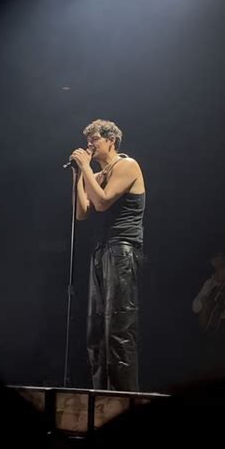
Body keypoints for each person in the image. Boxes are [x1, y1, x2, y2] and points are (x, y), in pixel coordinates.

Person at [70, 119, 145, 391]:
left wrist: (87, 170)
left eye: (95, 140)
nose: (90, 145)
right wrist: (80, 174)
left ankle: (123, 399)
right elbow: (82, 212)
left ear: (111, 140)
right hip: (101, 252)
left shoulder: (127, 165)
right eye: (88, 140)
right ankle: (100, 396)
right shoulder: (97, 175)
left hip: (121, 251)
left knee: (118, 331)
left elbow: (101, 202)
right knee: (96, 332)